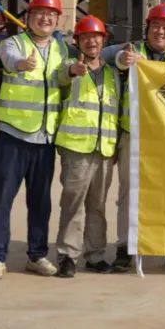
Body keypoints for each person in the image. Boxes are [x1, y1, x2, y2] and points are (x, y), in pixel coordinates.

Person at [0, 0, 68, 280]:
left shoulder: (62, 49)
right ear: (29, 17)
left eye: (51, 14)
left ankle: (37, 255)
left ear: (58, 20)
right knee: (3, 198)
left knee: (40, 201)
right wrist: (22, 64)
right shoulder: (13, 43)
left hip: (44, 138)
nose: (45, 18)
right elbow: (9, 60)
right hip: (13, 135)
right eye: (40, 13)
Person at [105, 2, 165, 273]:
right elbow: (111, 58)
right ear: (147, 29)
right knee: (128, 194)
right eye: (156, 26)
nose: (160, 31)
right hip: (134, 135)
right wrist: (122, 60)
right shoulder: (132, 50)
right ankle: (124, 247)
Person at [53, 15, 121, 278]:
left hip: (104, 150)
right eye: (86, 37)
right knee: (73, 204)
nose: (91, 41)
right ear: (77, 41)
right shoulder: (69, 66)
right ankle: (68, 256)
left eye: (96, 37)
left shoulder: (112, 74)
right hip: (76, 149)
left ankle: (95, 255)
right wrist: (73, 70)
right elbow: (60, 77)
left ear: (103, 40)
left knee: (98, 205)